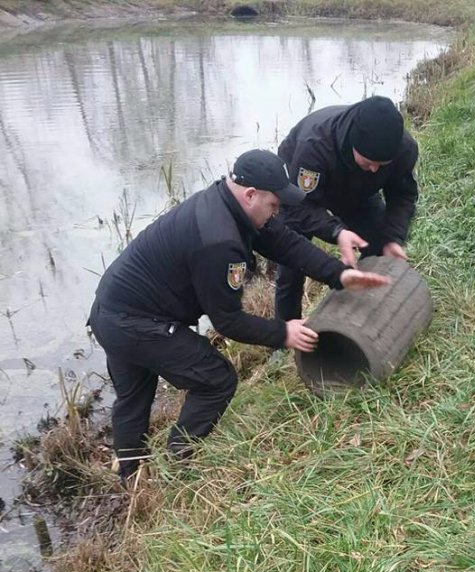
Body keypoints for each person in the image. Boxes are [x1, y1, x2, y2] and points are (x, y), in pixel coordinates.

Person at [88, 149, 389, 481]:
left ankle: (130, 473)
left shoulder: (228, 205)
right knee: (216, 379)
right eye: (274, 205)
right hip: (133, 321)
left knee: (133, 395)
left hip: (111, 309)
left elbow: (285, 243)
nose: (276, 213)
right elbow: (228, 322)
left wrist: (339, 274)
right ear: (250, 194)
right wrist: (283, 333)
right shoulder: (220, 242)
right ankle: (176, 464)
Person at [274, 95, 419, 321]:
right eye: (369, 161)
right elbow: (298, 208)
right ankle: (285, 334)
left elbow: (402, 196)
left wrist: (393, 238)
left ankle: (368, 316)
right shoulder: (314, 146)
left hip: (357, 191)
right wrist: (337, 231)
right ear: (353, 142)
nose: (373, 170)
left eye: (381, 166)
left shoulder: (404, 149)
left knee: (378, 241)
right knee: (292, 263)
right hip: (301, 189)